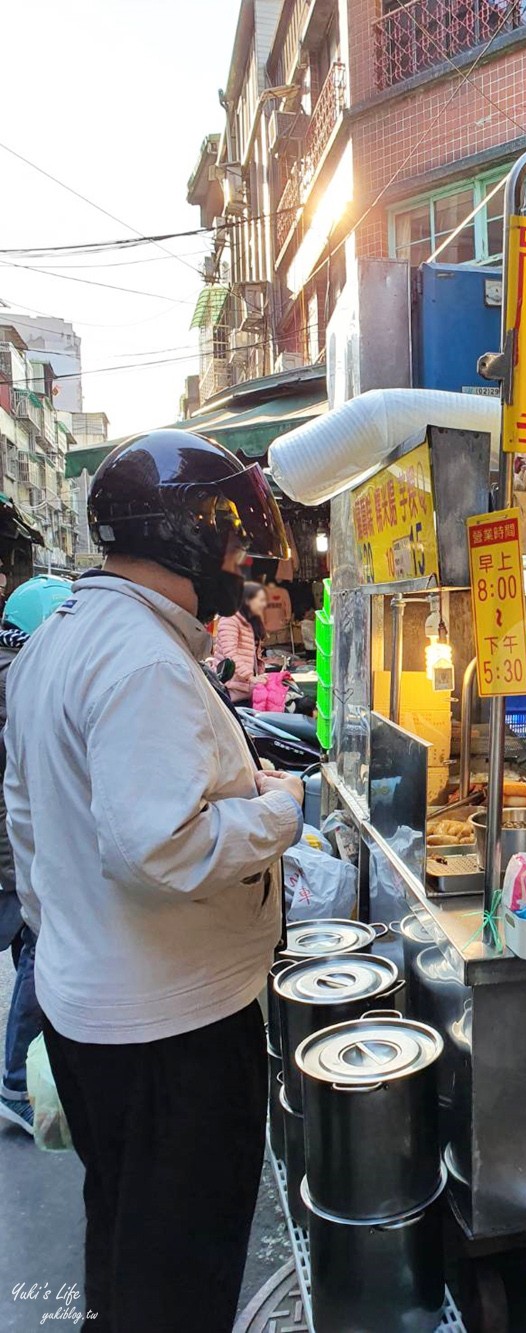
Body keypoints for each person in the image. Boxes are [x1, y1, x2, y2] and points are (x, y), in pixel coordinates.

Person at [4, 430, 304, 1333]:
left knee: (128, 1243)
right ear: (185, 537)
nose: (240, 563)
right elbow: (158, 846)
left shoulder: (63, 635)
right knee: (178, 1272)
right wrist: (278, 810)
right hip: (169, 1030)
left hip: (94, 1007)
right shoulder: (141, 658)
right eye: (231, 541)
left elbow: (28, 820)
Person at [0, 576, 73, 1133]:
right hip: (12, 849)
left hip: (17, 844)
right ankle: (18, 1084)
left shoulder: (17, 673)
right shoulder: (23, 681)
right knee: (37, 951)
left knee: (29, 946)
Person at [213, 579, 267, 702]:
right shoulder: (230, 620)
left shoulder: (250, 621)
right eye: (261, 600)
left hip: (245, 688)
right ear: (248, 600)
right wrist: (250, 677)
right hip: (230, 688)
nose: (264, 604)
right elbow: (230, 655)